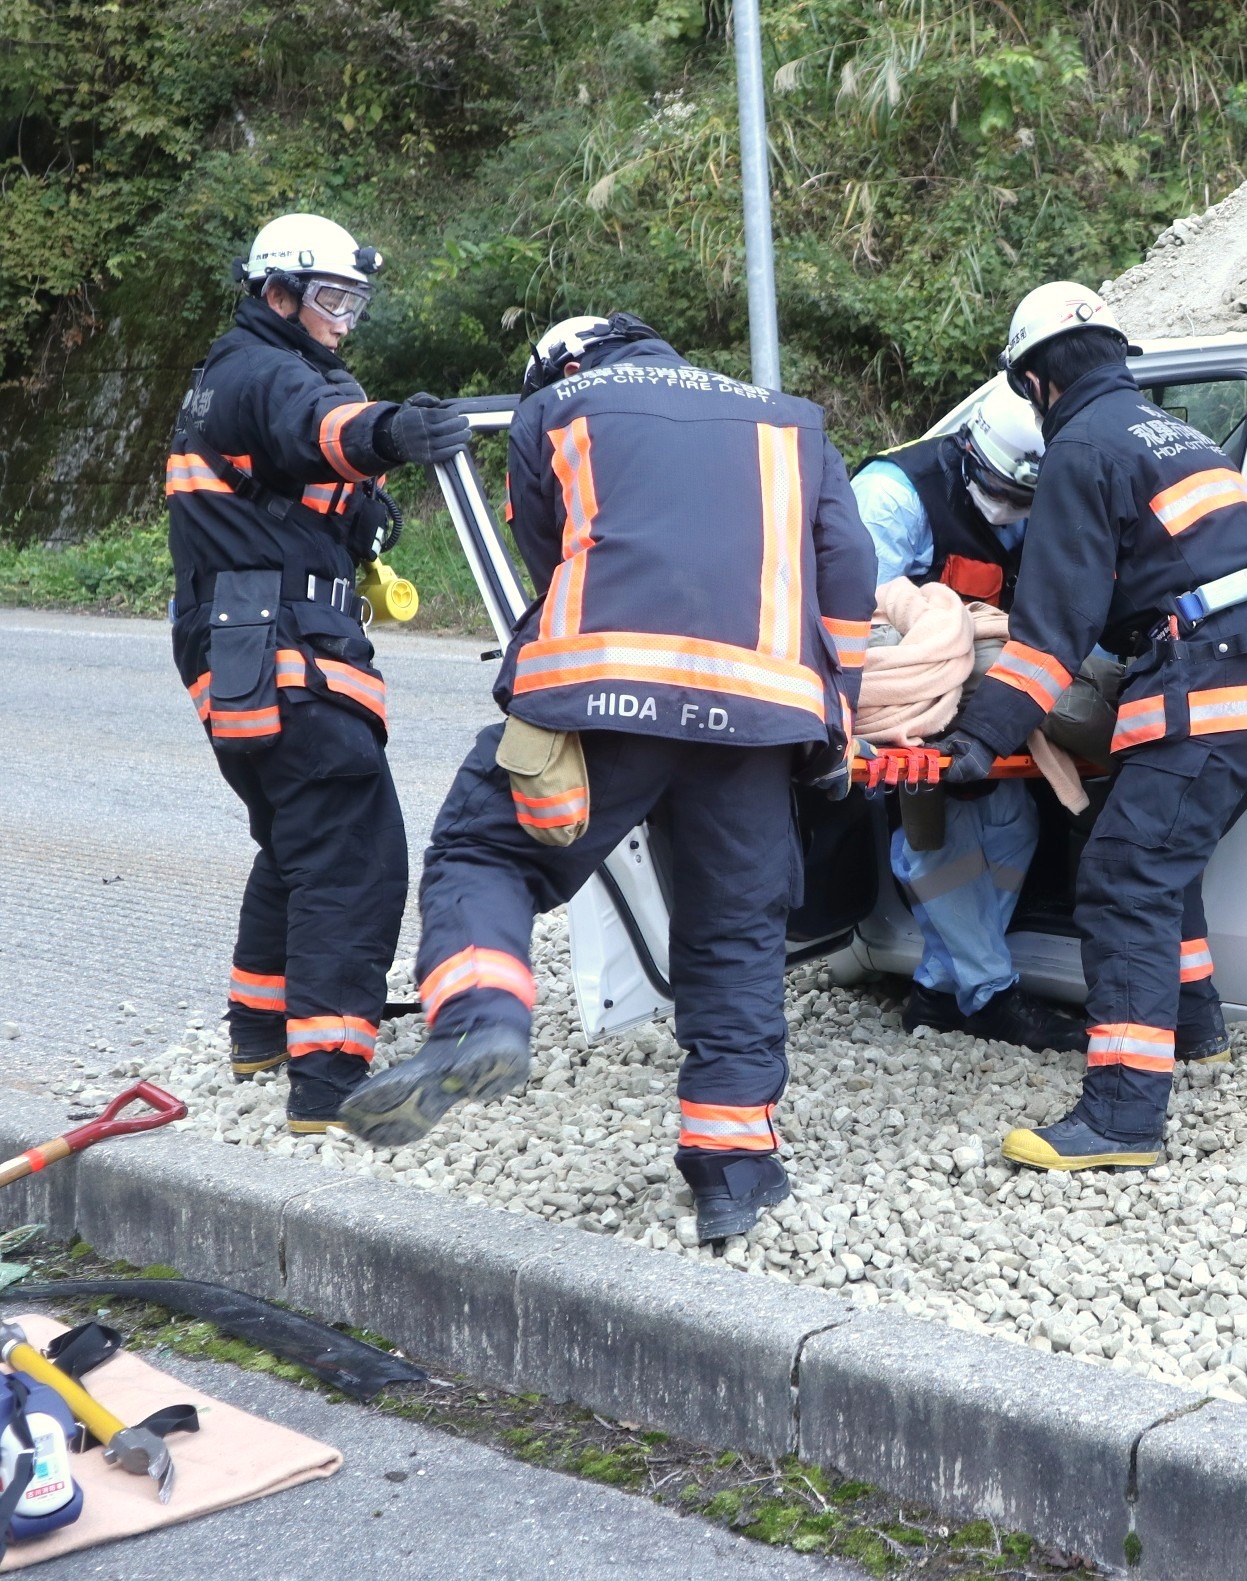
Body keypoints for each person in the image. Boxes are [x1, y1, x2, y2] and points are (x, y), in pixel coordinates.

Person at [336, 314, 876, 1244]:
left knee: (485, 850)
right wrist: (842, 711)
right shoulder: (795, 419)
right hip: (757, 715)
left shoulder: (556, 406)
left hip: (599, 700)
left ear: (562, 362)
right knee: (735, 926)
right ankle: (733, 1168)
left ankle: (478, 1020)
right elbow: (849, 569)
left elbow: (552, 555)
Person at [927, 282, 1247, 1171]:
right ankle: (1196, 1028)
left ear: (1035, 383)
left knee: (1122, 872)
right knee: (1149, 843)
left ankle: (1120, 1116)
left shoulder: (1084, 446)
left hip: (1214, 670)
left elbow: (1050, 630)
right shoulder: (1170, 435)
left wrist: (979, 737)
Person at [166, 212, 470, 1133]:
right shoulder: (266, 371)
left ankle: (260, 1030)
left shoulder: (232, 373)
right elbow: (324, 428)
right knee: (353, 853)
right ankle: (331, 1082)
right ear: (279, 292)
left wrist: (360, 516)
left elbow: (296, 474)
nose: (343, 319)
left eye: (354, 303)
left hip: (240, 647)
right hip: (280, 648)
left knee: (298, 841)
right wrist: (394, 433)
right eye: (331, 299)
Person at [852, 384, 1086, 1052]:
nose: (1010, 513)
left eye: (1024, 501)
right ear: (969, 453)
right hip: (909, 688)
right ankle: (991, 993)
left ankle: (936, 987)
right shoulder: (895, 496)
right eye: (1004, 494)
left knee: (1015, 822)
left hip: (986, 689)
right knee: (937, 833)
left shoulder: (1036, 494)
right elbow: (860, 617)